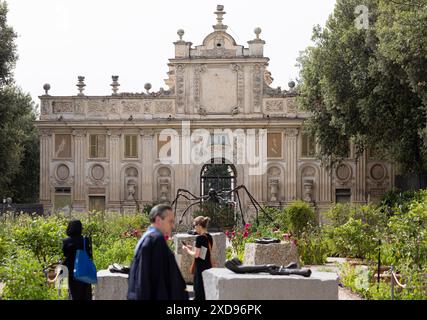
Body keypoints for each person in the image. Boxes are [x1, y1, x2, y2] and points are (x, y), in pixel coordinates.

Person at [127, 204, 188, 300]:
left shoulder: (146, 239)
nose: (173, 226)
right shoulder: (156, 240)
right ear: (158, 220)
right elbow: (156, 281)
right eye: (170, 221)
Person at [182, 216, 213, 300]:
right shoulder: (209, 236)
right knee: (205, 292)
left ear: (199, 225)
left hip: (200, 268)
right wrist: (192, 247)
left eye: (194, 225)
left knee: (199, 292)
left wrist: (187, 250)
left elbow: (196, 255)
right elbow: (203, 252)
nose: (194, 228)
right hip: (207, 266)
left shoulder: (199, 238)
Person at [62, 220, 93, 300]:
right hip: (84, 271)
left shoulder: (66, 241)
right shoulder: (85, 240)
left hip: (72, 272)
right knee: (85, 294)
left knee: (74, 294)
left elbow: (65, 255)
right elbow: (89, 254)